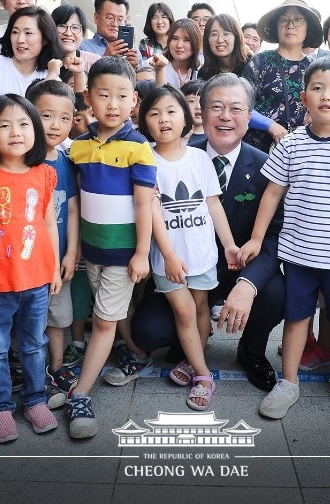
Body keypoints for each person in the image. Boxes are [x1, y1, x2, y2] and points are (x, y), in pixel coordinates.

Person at [238, 55, 330, 420]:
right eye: (317, 88)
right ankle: (288, 382)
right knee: (297, 319)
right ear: (304, 98)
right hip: (299, 256)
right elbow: (272, 194)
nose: (326, 95)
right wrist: (257, 240)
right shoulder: (290, 145)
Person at [130, 73, 286, 392]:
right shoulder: (181, 154)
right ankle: (190, 346)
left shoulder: (266, 167)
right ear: (200, 112)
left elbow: (273, 236)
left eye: (236, 108)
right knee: (147, 331)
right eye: (216, 106)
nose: (225, 116)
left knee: (277, 293)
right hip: (181, 265)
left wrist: (248, 283)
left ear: (249, 116)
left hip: (233, 267)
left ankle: (251, 350)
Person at [65, 57, 157, 439]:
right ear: (88, 97)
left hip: (122, 254)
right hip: (91, 251)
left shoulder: (139, 148)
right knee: (108, 310)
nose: (113, 104)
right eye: (103, 94)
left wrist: (141, 252)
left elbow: (143, 204)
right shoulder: (79, 147)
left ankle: (81, 393)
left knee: (103, 321)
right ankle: (135, 352)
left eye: (121, 96)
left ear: (134, 100)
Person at [0, 95, 61, 441]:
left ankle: (35, 399)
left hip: (36, 280)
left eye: (23, 124)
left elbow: (49, 224)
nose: (15, 132)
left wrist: (55, 270)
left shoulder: (44, 174)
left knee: (34, 344)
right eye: (4, 125)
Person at [135, 85, 240, 410]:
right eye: (154, 113)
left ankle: (193, 361)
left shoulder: (198, 158)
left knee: (200, 308)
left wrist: (230, 245)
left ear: (185, 117)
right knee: (183, 313)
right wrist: (168, 256)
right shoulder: (144, 160)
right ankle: (204, 375)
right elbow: (150, 212)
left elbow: (213, 205)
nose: (163, 119)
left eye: (170, 111)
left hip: (203, 256)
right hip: (168, 259)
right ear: (144, 121)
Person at [24, 80, 81, 405]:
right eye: (46, 116)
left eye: (64, 117)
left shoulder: (65, 160)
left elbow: (72, 209)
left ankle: (57, 367)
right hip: (27, 264)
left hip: (58, 260)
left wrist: (72, 252)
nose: (55, 125)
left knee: (58, 317)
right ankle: (29, 370)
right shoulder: (21, 162)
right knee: (29, 322)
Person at [243, 0, 324, 151]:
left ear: (308, 28)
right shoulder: (260, 61)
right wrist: (270, 125)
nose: (290, 25)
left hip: (301, 150)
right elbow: (241, 104)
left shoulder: (314, 69)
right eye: (284, 20)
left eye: (298, 20)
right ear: (276, 27)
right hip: (258, 149)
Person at [0, 6, 66, 96]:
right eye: (15, 32)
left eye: (28, 33)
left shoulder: (51, 77)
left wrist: (52, 76)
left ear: (45, 39)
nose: (20, 40)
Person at [79, 0, 137, 68]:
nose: (115, 24)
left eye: (120, 19)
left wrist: (136, 69)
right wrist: (104, 60)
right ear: (96, 18)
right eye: (110, 17)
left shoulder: (134, 52)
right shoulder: (82, 48)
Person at [198, 13, 251, 80]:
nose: (220, 40)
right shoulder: (204, 73)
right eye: (214, 34)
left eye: (226, 34)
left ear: (236, 37)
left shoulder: (251, 65)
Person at [153, 18, 201, 87]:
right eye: (175, 39)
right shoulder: (155, 64)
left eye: (187, 40)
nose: (179, 45)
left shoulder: (202, 71)